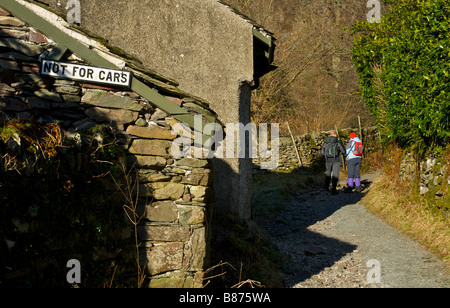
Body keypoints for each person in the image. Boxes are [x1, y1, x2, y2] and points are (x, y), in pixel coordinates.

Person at [321, 130, 345, 195]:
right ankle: (334, 189)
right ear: (335, 135)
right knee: (335, 174)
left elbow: (322, 152)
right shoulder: (338, 142)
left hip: (328, 160)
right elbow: (343, 151)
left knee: (328, 173)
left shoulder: (325, 142)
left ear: (330, 135)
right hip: (336, 160)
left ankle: (326, 187)